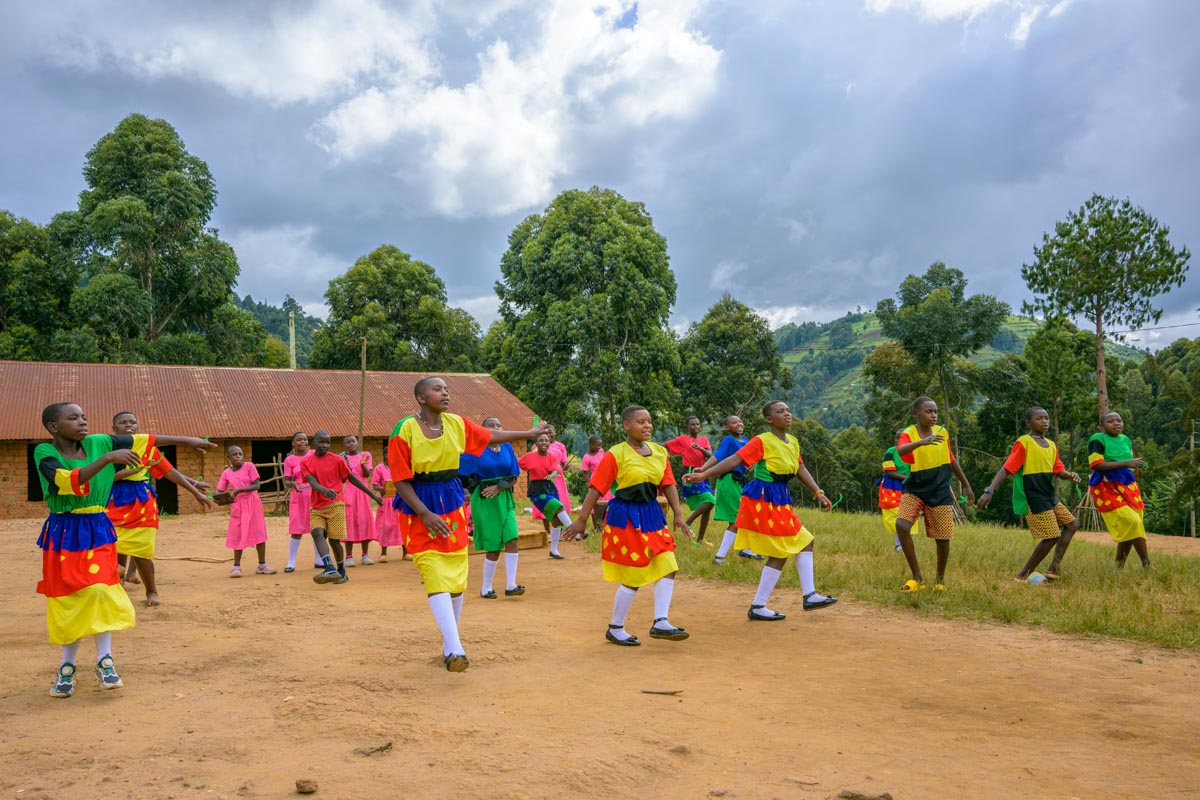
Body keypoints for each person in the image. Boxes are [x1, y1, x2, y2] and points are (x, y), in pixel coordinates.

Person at [35, 402, 213, 698]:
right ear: (53, 427)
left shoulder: (100, 442)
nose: (82, 422)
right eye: (73, 418)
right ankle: (67, 666)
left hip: (98, 527)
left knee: (103, 591)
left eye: (84, 416)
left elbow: (147, 442)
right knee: (69, 597)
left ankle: (105, 660)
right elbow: (65, 482)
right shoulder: (45, 452)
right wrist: (108, 459)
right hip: (64, 532)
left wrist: (186, 441)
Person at [389, 377, 547, 672]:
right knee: (434, 572)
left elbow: (490, 436)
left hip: (451, 504)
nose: (445, 393)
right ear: (421, 398)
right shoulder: (404, 430)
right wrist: (424, 513)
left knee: (456, 577)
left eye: (447, 389)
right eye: (437, 389)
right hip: (419, 507)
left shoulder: (456, 423)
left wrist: (528, 432)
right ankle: (456, 648)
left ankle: (449, 645)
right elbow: (399, 479)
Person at [686, 401, 837, 620]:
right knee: (791, 547)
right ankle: (800, 597)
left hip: (781, 498)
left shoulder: (793, 441)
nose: (787, 414)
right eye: (780, 411)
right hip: (764, 499)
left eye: (788, 410)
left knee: (798, 545)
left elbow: (799, 467)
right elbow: (735, 459)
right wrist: (704, 475)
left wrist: (818, 492)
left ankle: (783, 601)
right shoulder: (762, 440)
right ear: (769, 419)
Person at [564, 405, 693, 646]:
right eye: (641, 422)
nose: (647, 426)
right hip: (626, 517)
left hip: (652, 514)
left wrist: (678, 515)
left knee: (668, 563)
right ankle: (615, 627)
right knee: (634, 573)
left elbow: (668, 484)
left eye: (649, 421)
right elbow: (596, 488)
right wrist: (581, 520)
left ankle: (661, 622)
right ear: (626, 425)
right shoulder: (616, 454)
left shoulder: (659, 452)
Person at [106, 411, 213, 605]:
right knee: (114, 546)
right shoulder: (106, 448)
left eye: (132, 422)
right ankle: (118, 580)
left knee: (142, 550)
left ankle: (151, 591)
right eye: (123, 422)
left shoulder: (148, 449)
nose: (129, 425)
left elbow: (170, 472)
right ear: (114, 429)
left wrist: (195, 490)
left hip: (141, 504)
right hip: (113, 501)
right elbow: (98, 476)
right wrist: (123, 474)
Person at [977, 407, 1081, 582]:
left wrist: (1069, 475)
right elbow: (1007, 468)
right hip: (1032, 496)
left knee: (1072, 524)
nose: (1044, 421)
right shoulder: (1024, 442)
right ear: (1028, 423)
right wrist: (990, 490)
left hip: (1048, 494)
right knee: (1051, 536)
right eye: (1039, 418)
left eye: (1046, 418)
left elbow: (1058, 470)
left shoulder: (1051, 445)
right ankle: (1023, 575)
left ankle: (1053, 569)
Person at [894, 396, 975, 593]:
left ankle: (939, 580)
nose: (934, 415)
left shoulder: (942, 432)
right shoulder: (909, 433)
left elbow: (951, 458)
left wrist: (966, 484)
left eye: (936, 412)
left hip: (940, 490)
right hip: (915, 488)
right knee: (901, 525)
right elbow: (901, 450)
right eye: (929, 411)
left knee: (943, 537)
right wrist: (922, 442)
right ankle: (917, 577)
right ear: (917, 413)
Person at [301, 430, 383, 585]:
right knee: (317, 533)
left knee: (334, 540)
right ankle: (329, 567)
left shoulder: (337, 460)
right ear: (314, 443)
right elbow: (312, 482)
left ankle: (341, 571)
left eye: (327, 442)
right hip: (317, 506)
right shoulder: (306, 462)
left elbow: (352, 478)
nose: (325, 445)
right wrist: (324, 490)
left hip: (336, 504)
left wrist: (373, 495)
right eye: (321, 442)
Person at [460, 417, 525, 599]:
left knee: (512, 538)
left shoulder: (507, 447)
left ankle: (511, 585)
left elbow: (514, 476)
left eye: (498, 425)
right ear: (483, 431)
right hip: (485, 500)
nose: (496, 427)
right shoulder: (475, 450)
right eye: (491, 425)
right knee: (494, 545)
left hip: (504, 497)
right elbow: (459, 472)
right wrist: (466, 492)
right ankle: (486, 587)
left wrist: (499, 487)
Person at [1087, 411, 1151, 569]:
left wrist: (1138, 467)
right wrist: (1127, 463)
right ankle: (1147, 565)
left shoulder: (1125, 439)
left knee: (1130, 526)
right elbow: (1096, 464)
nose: (1116, 423)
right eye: (1110, 421)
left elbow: (1129, 461)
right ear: (1101, 426)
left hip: (1128, 485)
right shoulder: (1097, 439)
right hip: (1106, 485)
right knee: (1132, 522)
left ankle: (1118, 567)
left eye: (1119, 420)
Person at [698, 415, 762, 564]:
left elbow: (750, 456)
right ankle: (720, 556)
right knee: (737, 518)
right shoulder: (728, 440)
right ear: (727, 427)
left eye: (740, 421)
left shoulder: (745, 440)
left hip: (740, 481)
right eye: (734, 422)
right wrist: (703, 469)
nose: (739, 424)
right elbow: (717, 456)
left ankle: (746, 550)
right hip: (729, 480)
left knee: (747, 514)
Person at [216, 445, 275, 577]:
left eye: (240, 454)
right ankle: (236, 567)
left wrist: (239, 490)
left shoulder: (249, 466)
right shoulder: (226, 473)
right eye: (235, 454)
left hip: (253, 503)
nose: (238, 456)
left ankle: (262, 565)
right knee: (237, 534)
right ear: (228, 458)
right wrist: (218, 497)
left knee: (259, 532)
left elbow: (257, 485)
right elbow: (219, 490)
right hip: (238, 506)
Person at [519, 433, 576, 559]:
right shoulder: (529, 456)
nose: (544, 442)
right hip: (537, 491)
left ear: (549, 443)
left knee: (556, 520)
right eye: (541, 440)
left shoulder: (552, 457)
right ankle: (574, 531)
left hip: (550, 488)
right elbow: (517, 464)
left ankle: (554, 550)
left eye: (546, 440)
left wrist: (553, 474)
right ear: (536, 444)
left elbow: (555, 469)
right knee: (559, 507)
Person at [665, 416, 716, 543]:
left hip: (702, 472)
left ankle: (701, 538)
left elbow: (711, 456)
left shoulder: (704, 440)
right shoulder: (683, 439)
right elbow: (665, 445)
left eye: (698, 424)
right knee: (710, 500)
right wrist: (646, 444)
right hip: (690, 473)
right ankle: (687, 523)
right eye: (693, 424)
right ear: (687, 427)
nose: (696, 426)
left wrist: (700, 448)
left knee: (708, 506)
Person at [282, 432, 323, 573]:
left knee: (317, 528)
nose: (302, 442)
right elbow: (287, 481)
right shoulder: (289, 460)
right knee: (296, 529)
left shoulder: (314, 454)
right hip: (298, 497)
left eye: (305, 439)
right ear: (293, 443)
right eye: (299, 440)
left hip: (315, 495)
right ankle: (291, 562)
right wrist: (293, 484)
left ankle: (319, 560)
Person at [878, 431, 921, 551]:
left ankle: (907, 545)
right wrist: (908, 478)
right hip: (892, 486)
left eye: (900, 438)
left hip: (910, 486)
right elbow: (889, 471)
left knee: (911, 514)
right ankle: (899, 545)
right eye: (896, 438)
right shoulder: (890, 452)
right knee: (896, 514)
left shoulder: (914, 452)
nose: (897, 441)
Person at [340, 434, 377, 566]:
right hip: (348, 492)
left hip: (363, 493)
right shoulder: (342, 458)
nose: (351, 444)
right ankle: (349, 557)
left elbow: (367, 474)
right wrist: (344, 463)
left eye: (353, 441)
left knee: (364, 521)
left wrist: (362, 464)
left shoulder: (365, 455)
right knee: (349, 522)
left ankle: (365, 555)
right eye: (348, 442)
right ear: (344, 446)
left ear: (357, 442)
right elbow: (343, 478)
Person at [370, 447, 404, 561]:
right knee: (385, 526)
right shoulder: (379, 468)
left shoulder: (399, 467)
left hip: (399, 500)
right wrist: (381, 488)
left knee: (401, 524)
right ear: (385, 455)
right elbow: (375, 484)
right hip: (385, 500)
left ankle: (406, 552)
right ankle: (383, 553)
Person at [578, 435, 612, 535]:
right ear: (591, 445)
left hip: (605, 479)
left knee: (607, 502)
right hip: (595, 481)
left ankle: (607, 525)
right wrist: (592, 483)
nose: (600, 447)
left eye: (600, 445)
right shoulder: (586, 457)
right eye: (598, 445)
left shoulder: (601, 451)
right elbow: (585, 474)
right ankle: (597, 527)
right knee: (595, 503)